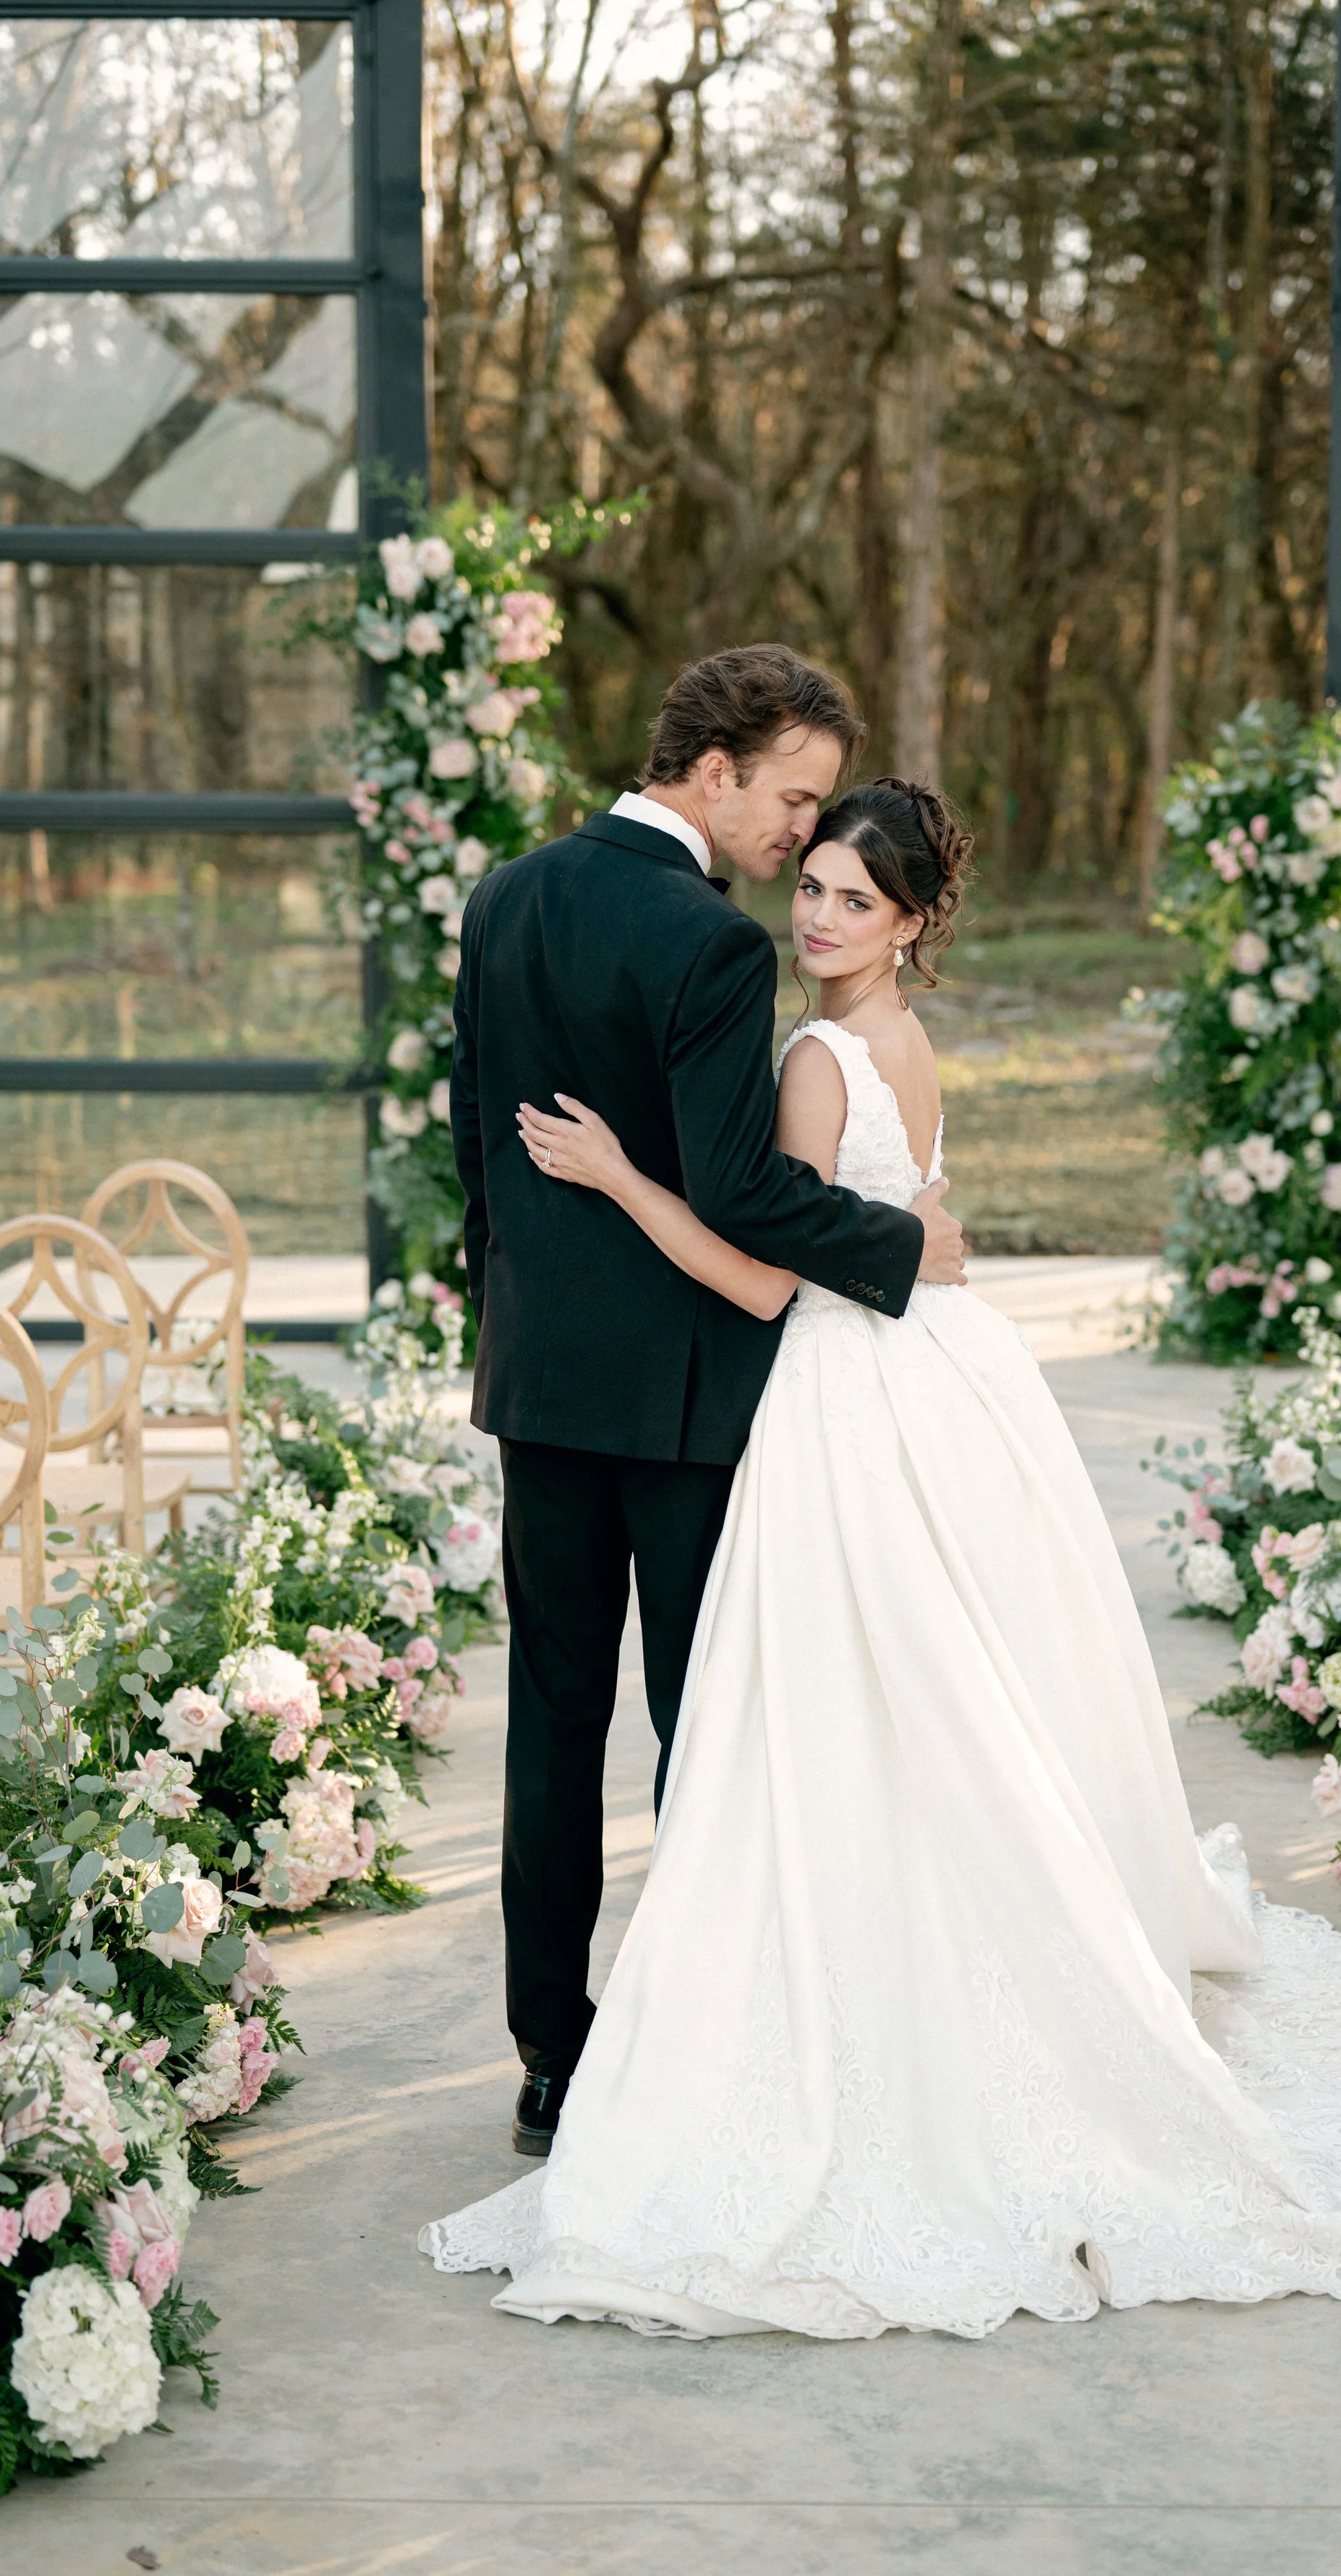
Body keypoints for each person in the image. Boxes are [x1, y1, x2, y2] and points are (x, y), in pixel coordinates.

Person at [424, 778, 1341, 2340]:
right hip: (940, 1377)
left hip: (844, 1393)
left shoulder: (807, 1056)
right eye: (816, 886)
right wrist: (910, 1244)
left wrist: (616, 1175)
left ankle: (796, 2013)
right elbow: (901, 1212)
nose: (818, 914)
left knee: (816, 1710)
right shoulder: (902, 1045)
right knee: (926, 1701)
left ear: (911, 922)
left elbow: (763, 1274)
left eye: (853, 897)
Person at [448, 650, 968, 2162]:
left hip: (540, 1389)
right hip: (685, 1404)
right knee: (702, 1727)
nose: (793, 838)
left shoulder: (504, 896)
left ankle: (551, 2062)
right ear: (714, 765)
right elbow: (740, 1193)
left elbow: (476, 1143)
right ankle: (699, 2042)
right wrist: (901, 1248)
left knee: (551, 1729)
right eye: (792, 797)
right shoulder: (713, 946)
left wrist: (515, 1318)